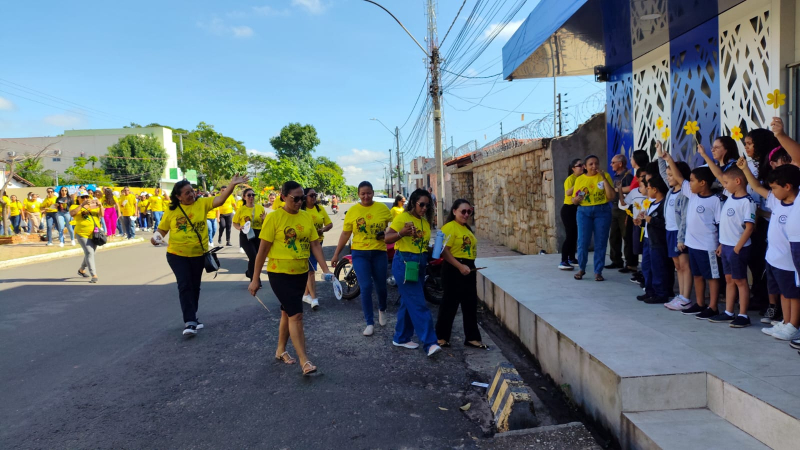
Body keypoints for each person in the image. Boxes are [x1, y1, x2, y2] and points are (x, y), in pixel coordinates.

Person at [248, 181, 333, 376]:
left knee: (287, 312)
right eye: (295, 198)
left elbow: (315, 245)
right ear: (283, 196)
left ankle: (280, 350)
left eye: (302, 198)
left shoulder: (305, 216)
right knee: (296, 315)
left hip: (300, 272)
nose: (299, 202)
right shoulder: (274, 217)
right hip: (279, 274)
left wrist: (326, 269)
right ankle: (304, 360)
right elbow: (262, 250)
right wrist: (255, 278)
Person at [153, 175, 248, 336]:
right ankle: (190, 321)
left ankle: (193, 317)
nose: (191, 194)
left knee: (195, 286)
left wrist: (232, 185)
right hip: (177, 255)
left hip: (198, 255)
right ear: (178, 196)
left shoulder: (202, 203)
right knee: (185, 285)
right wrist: (156, 237)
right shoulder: (171, 210)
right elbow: (162, 230)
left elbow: (220, 200)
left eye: (192, 191)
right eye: (187, 193)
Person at [739, 160, 800, 340]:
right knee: (783, 292)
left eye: (774, 188)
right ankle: (786, 322)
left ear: (787, 186)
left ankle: (794, 325)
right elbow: (757, 187)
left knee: (793, 295)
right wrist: (745, 169)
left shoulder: (797, 206)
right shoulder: (776, 200)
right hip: (773, 259)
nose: (771, 192)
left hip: (789, 262)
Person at [663, 151, 723, 319]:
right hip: (692, 244)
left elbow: (720, 224)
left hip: (708, 245)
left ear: (703, 183)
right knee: (697, 275)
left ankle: (713, 307)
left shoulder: (715, 200)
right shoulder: (691, 194)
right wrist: (668, 158)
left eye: (692, 181)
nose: (689, 183)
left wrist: (721, 243)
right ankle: (700, 304)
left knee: (712, 277)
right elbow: (678, 177)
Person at [385, 188, 442, 357]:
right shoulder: (403, 218)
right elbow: (387, 238)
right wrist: (401, 233)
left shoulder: (424, 221)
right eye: (421, 204)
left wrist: (435, 249)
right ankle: (430, 343)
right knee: (418, 303)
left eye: (427, 205)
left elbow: (421, 244)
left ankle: (401, 337)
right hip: (405, 264)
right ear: (413, 203)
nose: (424, 208)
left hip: (419, 263)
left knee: (408, 301)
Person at [331, 181, 393, 336]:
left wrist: (386, 233)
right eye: (363, 193)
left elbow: (392, 228)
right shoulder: (353, 211)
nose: (366, 196)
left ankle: (382, 309)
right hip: (359, 253)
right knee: (365, 287)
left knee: (381, 286)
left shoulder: (383, 209)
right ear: (358, 194)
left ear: (373, 193)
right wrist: (336, 253)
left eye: (369, 193)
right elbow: (346, 233)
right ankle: (369, 323)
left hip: (379, 252)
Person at [700, 164, 755, 328]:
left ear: (737, 181)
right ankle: (729, 312)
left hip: (738, 248)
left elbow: (749, 227)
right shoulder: (730, 197)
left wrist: (737, 247)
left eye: (726, 183)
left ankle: (743, 315)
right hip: (726, 246)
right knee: (729, 279)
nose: (724, 186)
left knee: (740, 281)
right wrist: (722, 244)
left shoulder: (747, 202)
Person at [435, 199, 487, 349]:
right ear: (454, 211)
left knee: (470, 303)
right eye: (463, 211)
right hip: (454, 268)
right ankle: (441, 337)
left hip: (468, 267)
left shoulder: (466, 228)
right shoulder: (450, 227)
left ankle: (472, 337)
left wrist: (467, 266)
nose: (466, 214)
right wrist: (459, 266)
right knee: (449, 304)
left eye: (469, 211)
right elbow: (444, 251)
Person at [655, 143, 693, 311]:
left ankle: (685, 297)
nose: (669, 177)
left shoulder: (685, 193)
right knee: (677, 266)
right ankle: (681, 295)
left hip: (680, 233)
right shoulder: (671, 190)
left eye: (672, 175)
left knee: (684, 265)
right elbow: (663, 172)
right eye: (668, 175)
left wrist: (681, 238)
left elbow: (684, 218)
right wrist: (660, 155)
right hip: (670, 232)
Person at [571, 155, 616, 281]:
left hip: (602, 211)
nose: (594, 166)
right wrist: (576, 199)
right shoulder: (580, 179)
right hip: (584, 212)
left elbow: (611, 196)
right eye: (591, 164)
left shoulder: (605, 176)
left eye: (596, 163)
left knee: (600, 242)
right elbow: (574, 200)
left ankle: (598, 271)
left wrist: (603, 178)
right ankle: (581, 268)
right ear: (585, 166)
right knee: (583, 241)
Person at [636, 176, 671, 303]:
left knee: (658, 268)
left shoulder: (664, 205)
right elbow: (647, 221)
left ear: (655, 189)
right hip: (648, 239)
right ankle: (649, 291)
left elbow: (665, 223)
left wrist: (652, 220)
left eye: (649, 188)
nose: (647, 190)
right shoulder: (652, 204)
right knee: (647, 266)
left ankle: (660, 293)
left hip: (658, 241)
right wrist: (641, 221)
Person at [301, 188, 332, 311]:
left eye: (315, 195)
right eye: (311, 195)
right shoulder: (301, 210)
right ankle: (314, 298)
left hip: (318, 242)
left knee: (310, 269)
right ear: (305, 197)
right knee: (311, 270)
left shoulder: (320, 209)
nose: (314, 197)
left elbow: (329, 224)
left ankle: (305, 294)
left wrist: (322, 230)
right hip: (305, 243)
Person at [233, 187, 266, 282]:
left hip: (258, 234)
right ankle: (255, 280)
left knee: (258, 258)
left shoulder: (260, 208)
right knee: (253, 257)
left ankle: (249, 272)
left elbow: (265, 223)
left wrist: (265, 219)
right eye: (249, 195)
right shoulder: (241, 210)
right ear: (244, 197)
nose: (251, 197)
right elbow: (235, 222)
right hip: (246, 235)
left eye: (253, 195)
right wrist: (239, 227)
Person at [70, 190, 103, 284]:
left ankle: (81, 269)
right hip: (82, 233)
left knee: (91, 253)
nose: (85, 198)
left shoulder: (93, 205)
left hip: (94, 233)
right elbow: (72, 213)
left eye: (86, 197)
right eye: (83, 197)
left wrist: (100, 206)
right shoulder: (74, 206)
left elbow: (101, 215)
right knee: (89, 252)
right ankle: (94, 275)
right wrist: (82, 205)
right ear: (78, 198)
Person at [607, 154, 634, 270]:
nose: (611, 165)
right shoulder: (615, 177)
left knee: (626, 236)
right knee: (614, 236)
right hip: (614, 207)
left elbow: (632, 191)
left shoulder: (628, 176)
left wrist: (617, 190)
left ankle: (630, 263)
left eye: (613, 163)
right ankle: (616, 260)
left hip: (624, 209)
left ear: (620, 164)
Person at [559, 159, 584, 270]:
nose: (582, 167)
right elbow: (568, 192)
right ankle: (563, 260)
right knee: (570, 235)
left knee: (575, 234)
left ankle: (572, 258)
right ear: (573, 168)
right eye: (579, 165)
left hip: (576, 208)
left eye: (583, 165)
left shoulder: (582, 178)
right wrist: (578, 183)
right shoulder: (570, 179)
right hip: (568, 209)